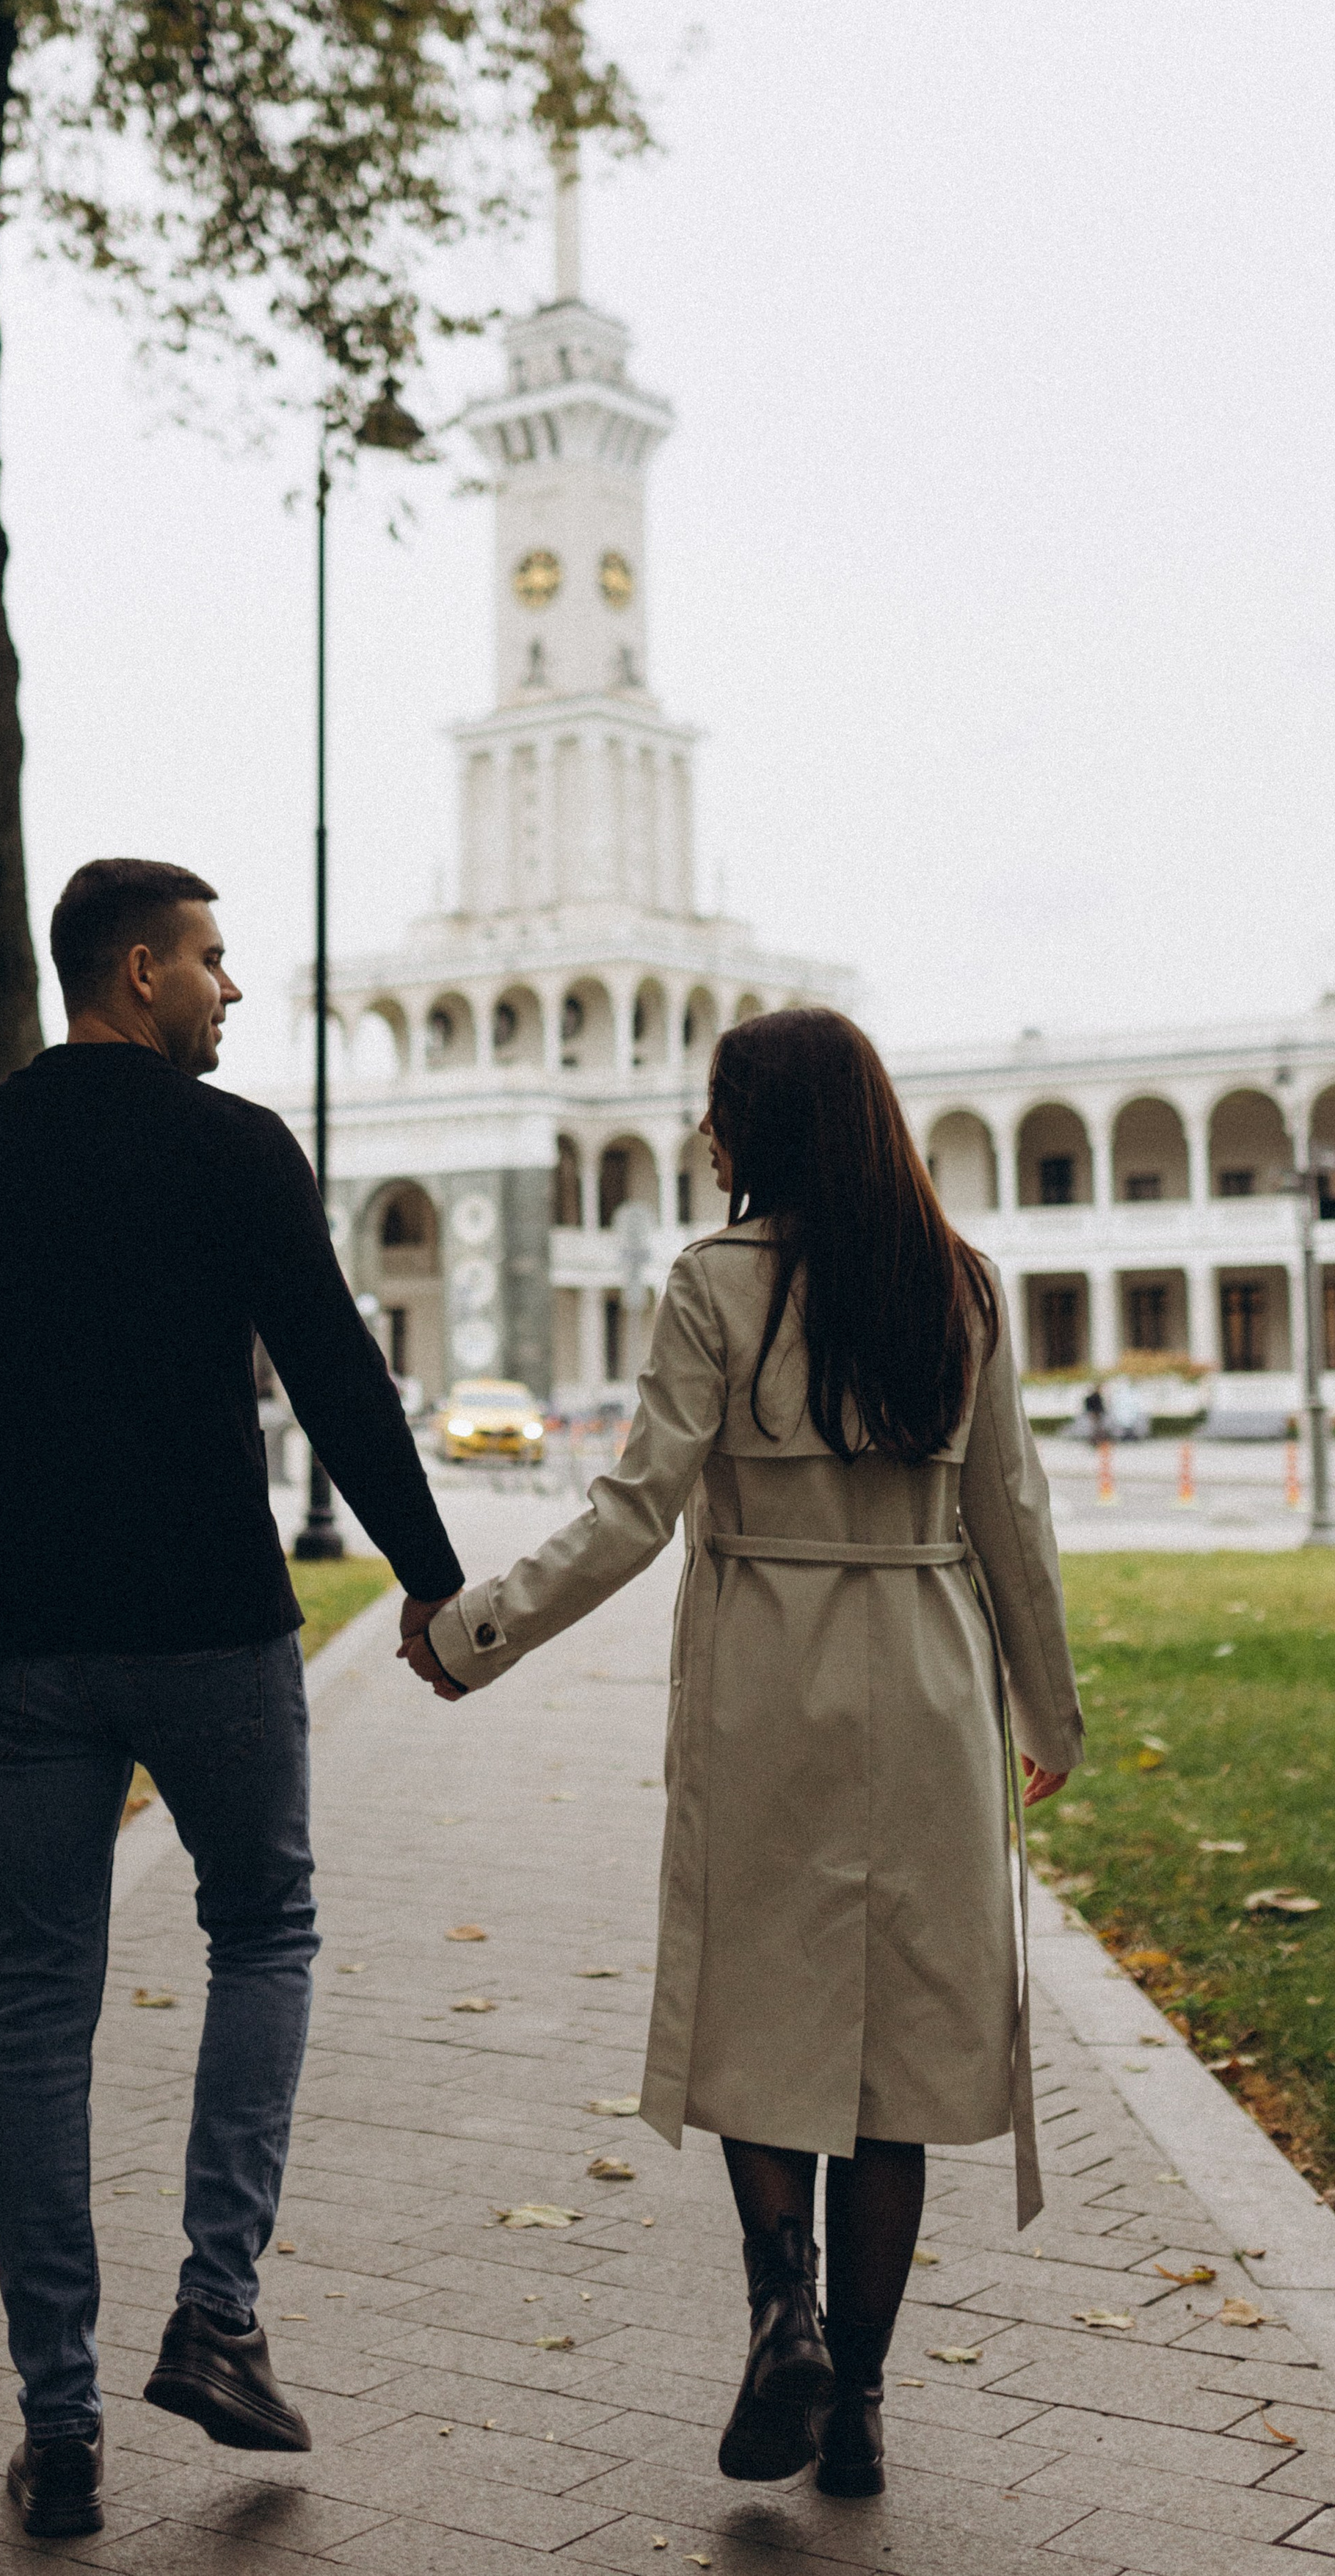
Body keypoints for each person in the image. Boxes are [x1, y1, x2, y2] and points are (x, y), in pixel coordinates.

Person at [401, 1007, 1083, 2500]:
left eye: (719, 1109)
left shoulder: (711, 1284)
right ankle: (859, 2403)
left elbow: (630, 1512)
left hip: (764, 1683)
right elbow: (1008, 1519)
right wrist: (1046, 1713)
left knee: (759, 2012)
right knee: (897, 2056)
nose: (705, 1134)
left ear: (760, 1127)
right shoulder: (956, 1286)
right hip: (926, 1680)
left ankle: (780, 2311)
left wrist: (472, 1635)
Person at [0, 857, 462, 2541]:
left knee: (40, 2008)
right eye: (210, 961)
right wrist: (430, 1578)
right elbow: (336, 1371)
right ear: (137, 974)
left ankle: (60, 2427)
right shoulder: (237, 1149)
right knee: (263, 1928)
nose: (229, 989)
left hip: (30, 1642)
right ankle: (217, 2310)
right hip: (209, 1628)